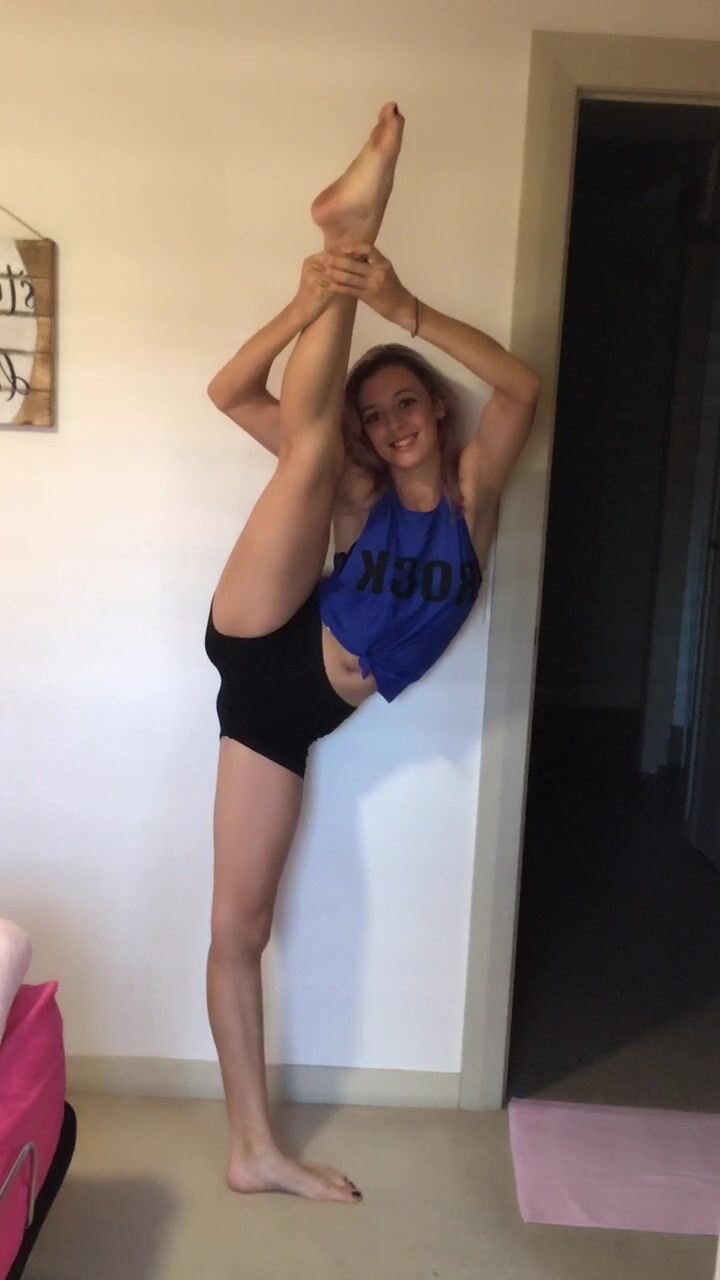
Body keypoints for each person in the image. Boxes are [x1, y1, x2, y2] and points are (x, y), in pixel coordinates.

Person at [204, 103, 540, 1204]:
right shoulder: (357, 488)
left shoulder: (474, 497)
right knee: (307, 451)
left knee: (240, 927)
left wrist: (406, 310)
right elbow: (230, 393)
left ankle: (252, 1150)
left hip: (285, 713)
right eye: (377, 410)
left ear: (437, 410)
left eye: (407, 403)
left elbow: (522, 388)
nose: (393, 423)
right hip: (265, 636)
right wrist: (311, 303)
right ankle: (346, 232)